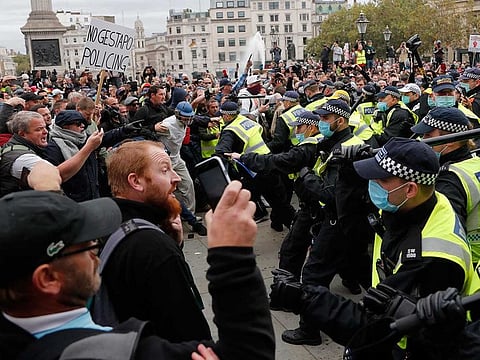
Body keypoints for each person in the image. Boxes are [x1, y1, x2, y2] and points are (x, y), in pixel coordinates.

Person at [0, 182, 275, 360]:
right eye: (86, 248)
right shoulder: (122, 354)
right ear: (48, 279)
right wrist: (232, 254)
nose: (96, 253)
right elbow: (249, 353)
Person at [271, 137, 474, 358]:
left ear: (410, 189)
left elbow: (375, 329)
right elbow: (351, 226)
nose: (373, 183)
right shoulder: (421, 204)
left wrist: (305, 299)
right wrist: (349, 172)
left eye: (381, 178)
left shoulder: (428, 257)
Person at [281, 99, 371, 346]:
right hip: (350, 221)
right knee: (361, 269)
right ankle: (387, 315)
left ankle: (309, 330)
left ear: (339, 121)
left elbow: (329, 194)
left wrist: (306, 176)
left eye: (324, 119)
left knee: (312, 274)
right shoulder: (337, 143)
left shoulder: (344, 150)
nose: (320, 123)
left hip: (338, 222)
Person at [101, 140, 210, 341]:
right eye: (165, 170)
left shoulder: (109, 222)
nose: (176, 178)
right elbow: (191, 336)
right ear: (136, 181)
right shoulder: (153, 246)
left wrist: (174, 243)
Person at [227, 111, 323, 278]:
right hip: (316, 206)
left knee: (292, 250)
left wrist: (243, 158)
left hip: (313, 207)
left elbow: (276, 161)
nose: (296, 132)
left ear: (311, 127)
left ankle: (286, 289)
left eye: (299, 127)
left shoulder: (307, 149)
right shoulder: (320, 143)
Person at [411, 107, 480, 264]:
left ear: (452, 140)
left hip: (468, 262)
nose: (423, 139)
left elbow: (443, 231)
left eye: (428, 135)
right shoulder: (473, 163)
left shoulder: (450, 179)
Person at [215, 101, 294, 229]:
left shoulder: (230, 130)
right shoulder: (245, 121)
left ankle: (294, 226)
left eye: (222, 115)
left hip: (254, 170)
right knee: (278, 199)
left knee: (253, 199)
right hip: (267, 161)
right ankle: (279, 223)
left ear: (228, 116)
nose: (221, 118)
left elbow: (221, 151)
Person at [0, 111, 103, 197]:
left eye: (45, 127)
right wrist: (88, 148)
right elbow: (55, 175)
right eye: (38, 129)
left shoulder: (31, 147)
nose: (45, 132)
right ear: (22, 133)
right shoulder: (22, 158)